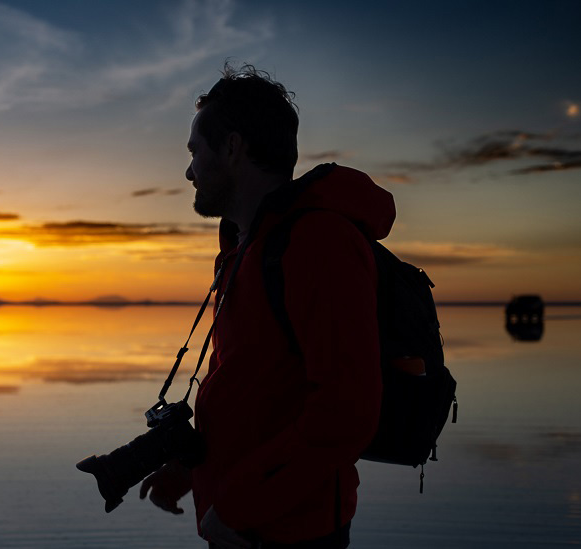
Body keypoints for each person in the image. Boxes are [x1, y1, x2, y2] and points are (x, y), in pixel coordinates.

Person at [140, 64, 393, 548]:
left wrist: (237, 508)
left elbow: (347, 413)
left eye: (195, 151)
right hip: (243, 523)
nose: (189, 171)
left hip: (290, 532)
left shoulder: (318, 242)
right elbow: (253, 388)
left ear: (233, 148)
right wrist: (193, 469)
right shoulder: (246, 249)